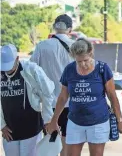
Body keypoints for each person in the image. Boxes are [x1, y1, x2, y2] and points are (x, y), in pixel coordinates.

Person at [46, 38, 122, 156]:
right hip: (75, 121)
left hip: (98, 122)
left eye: (86, 60)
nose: (83, 64)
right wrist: (54, 120)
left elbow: (112, 96)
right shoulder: (69, 70)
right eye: (79, 61)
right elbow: (63, 97)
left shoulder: (102, 69)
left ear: (90, 53)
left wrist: (119, 120)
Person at [30, 14, 75, 156]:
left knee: (50, 141)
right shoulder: (76, 46)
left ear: (54, 27)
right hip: (70, 102)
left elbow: (31, 70)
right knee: (67, 141)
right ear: (70, 29)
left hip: (48, 104)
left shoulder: (42, 46)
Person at [1, 44, 55, 156]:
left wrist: (48, 119)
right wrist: (1, 125)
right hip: (10, 129)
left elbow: (47, 93)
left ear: (17, 59)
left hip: (31, 125)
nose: (7, 70)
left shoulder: (32, 70)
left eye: (10, 66)